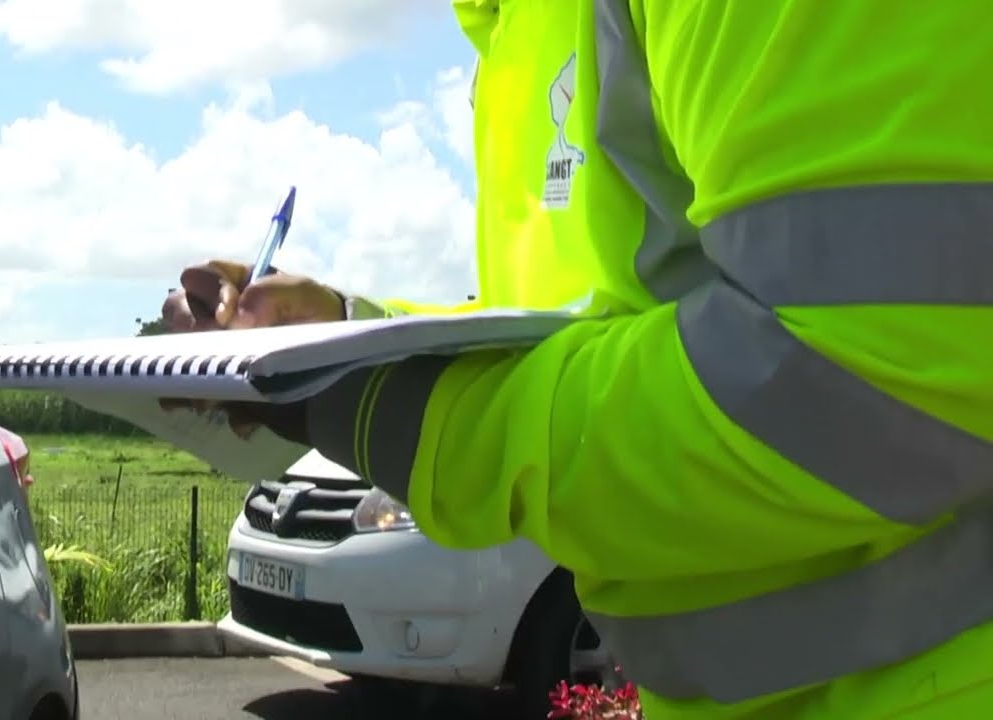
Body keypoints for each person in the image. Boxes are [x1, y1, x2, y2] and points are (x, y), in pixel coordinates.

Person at [161, 1, 993, 717]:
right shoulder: (516, 30)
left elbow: (866, 376)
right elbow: (591, 321)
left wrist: (376, 401)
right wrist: (344, 330)